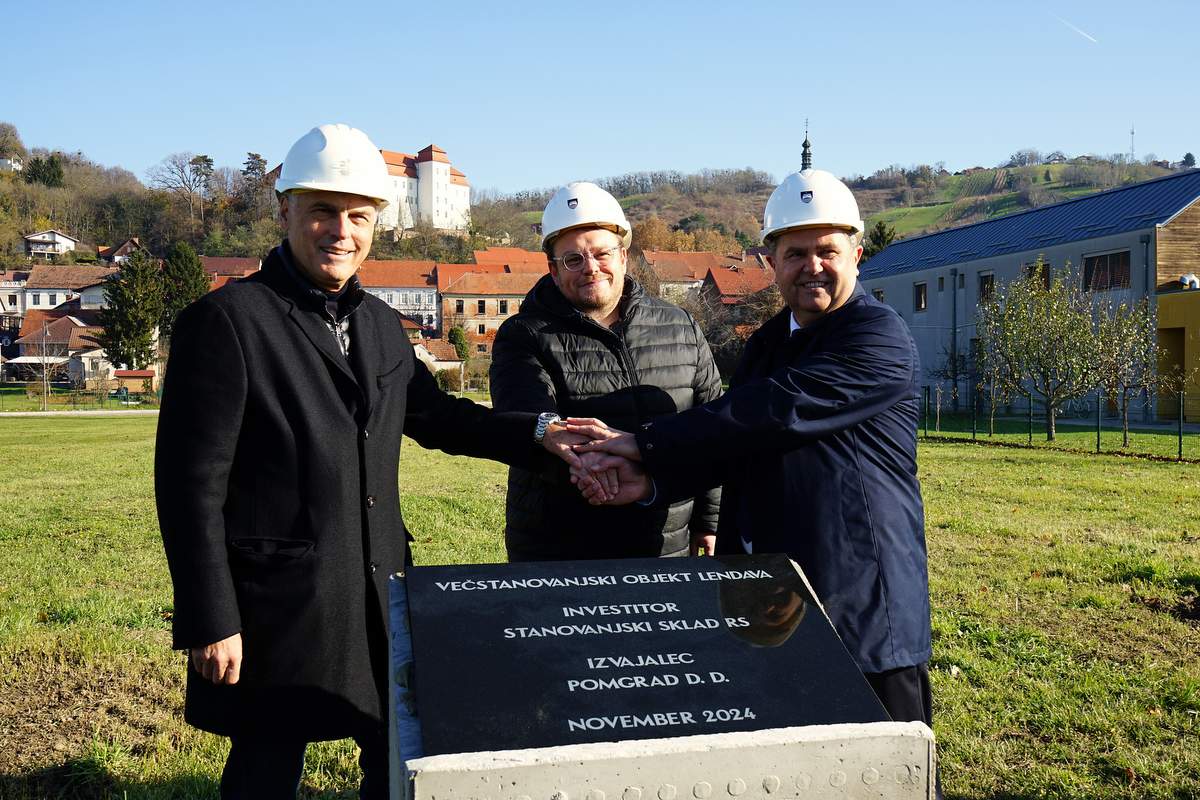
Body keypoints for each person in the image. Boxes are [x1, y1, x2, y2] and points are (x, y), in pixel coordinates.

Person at [155, 124, 590, 800]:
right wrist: (213, 616)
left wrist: (537, 434)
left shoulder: (383, 326)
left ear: (376, 223)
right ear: (284, 212)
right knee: (266, 768)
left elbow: (440, 419)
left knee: (390, 759)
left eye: (358, 216)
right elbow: (190, 485)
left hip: (380, 587)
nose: (340, 231)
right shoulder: (229, 321)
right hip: (277, 601)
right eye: (322, 212)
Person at [566, 168, 935, 745]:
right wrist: (652, 483)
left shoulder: (878, 337)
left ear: (858, 254)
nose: (811, 265)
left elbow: (772, 411)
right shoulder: (767, 342)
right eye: (795, 253)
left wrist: (647, 444)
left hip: (862, 600)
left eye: (827, 251)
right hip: (774, 597)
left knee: (882, 768)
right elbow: (737, 445)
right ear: (771, 260)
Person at [489, 181, 722, 561]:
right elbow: (527, 416)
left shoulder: (681, 325)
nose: (591, 268)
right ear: (552, 269)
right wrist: (596, 465)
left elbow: (712, 425)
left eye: (601, 253)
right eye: (573, 260)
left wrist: (709, 521)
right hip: (560, 547)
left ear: (624, 256)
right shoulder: (523, 336)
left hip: (665, 543)